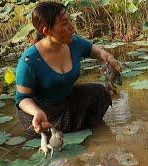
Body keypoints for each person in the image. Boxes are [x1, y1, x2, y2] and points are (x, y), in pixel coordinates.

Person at [15, 1, 122, 136]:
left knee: (100, 93)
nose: (72, 27)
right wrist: (36, 112)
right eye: (64, 23)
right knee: (50, 135)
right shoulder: (29, 62)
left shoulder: (74, 43)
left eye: (69, 21)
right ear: (46, 31)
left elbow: (100, 53)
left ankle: (91, 134)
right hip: (41, 113)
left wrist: (110, 59)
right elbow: (22, 99)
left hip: (66, 101)